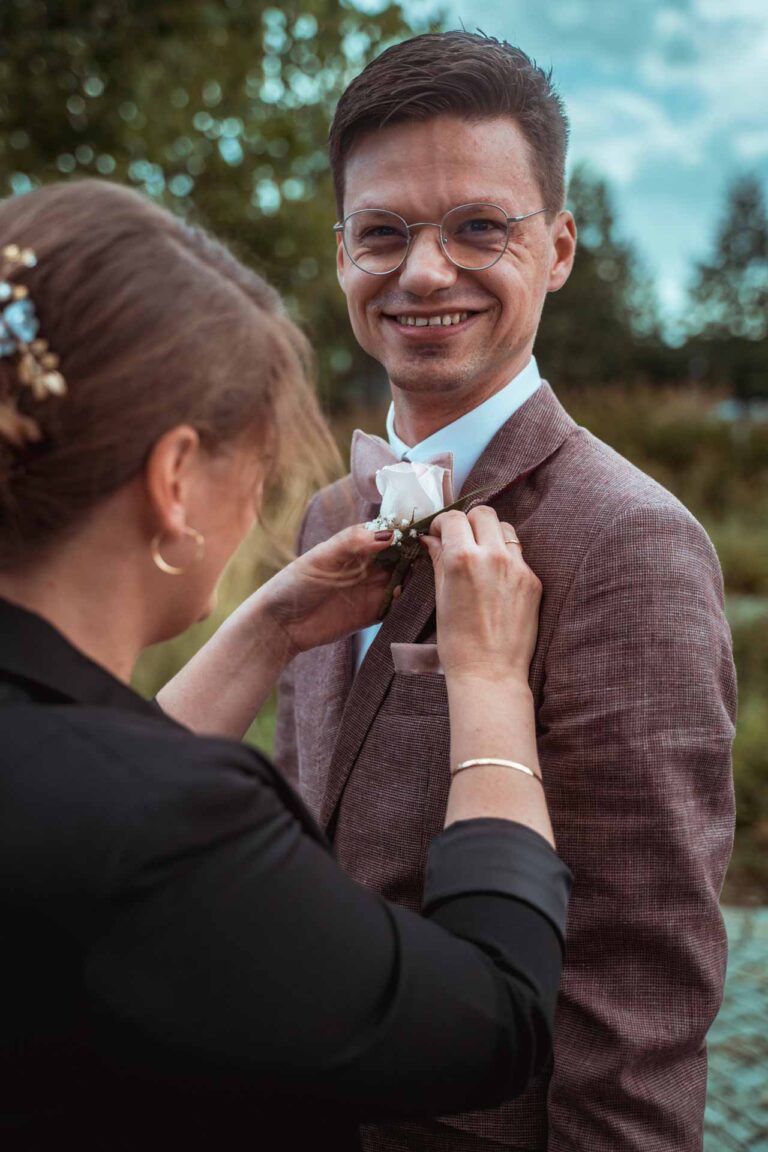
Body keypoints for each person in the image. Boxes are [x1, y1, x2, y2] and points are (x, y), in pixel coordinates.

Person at [0, 179, 572, 1152]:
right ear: (176, 479)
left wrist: (265, 630)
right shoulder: (169, 828)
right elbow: (499, 1019)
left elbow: (76, 785)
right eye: (257, 460)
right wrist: (487, 683)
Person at [265, 31, 736, 1152]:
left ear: (560, 246)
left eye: (481, 226)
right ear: (341, 253)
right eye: (384, 232)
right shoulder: (334, 518)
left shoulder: (633, 541)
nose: (425, 271)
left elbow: (642, 979)